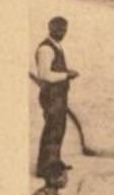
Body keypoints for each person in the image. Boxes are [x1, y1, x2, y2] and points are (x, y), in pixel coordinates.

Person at [31, 16, 80, 177]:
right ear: (50, 28)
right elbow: (44, 74)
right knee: (52, 130)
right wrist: (67, 75)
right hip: (51, 95)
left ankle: (54, 162)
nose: (62, 33)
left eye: (64, 29)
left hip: (58, 95)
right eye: (59, 29)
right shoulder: (46, 49)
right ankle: (45, 167)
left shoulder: (56, 46)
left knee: (58, 129)